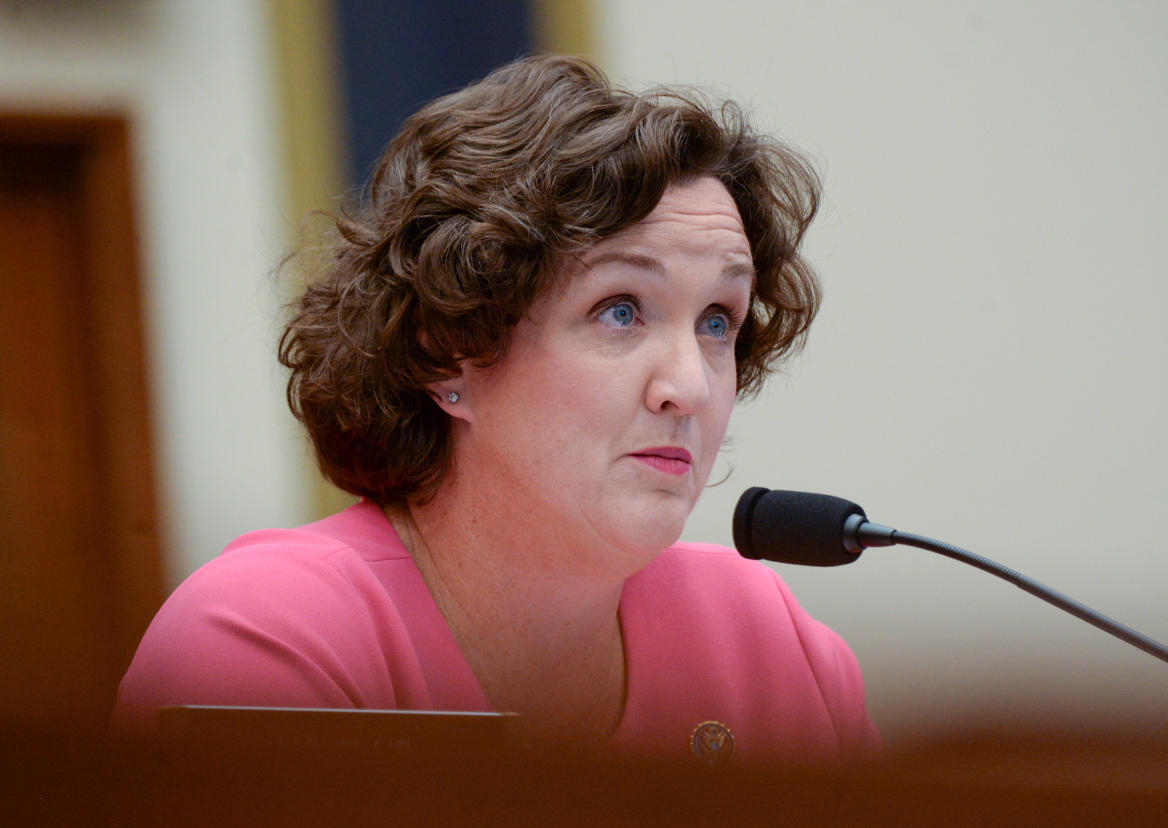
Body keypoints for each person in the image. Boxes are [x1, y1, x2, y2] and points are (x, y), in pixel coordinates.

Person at [114, 55, 879, 768]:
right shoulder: (269, 641)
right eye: (620, 310)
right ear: (449, 350)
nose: (692, 384)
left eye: (717, 319)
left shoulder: (768, 646)